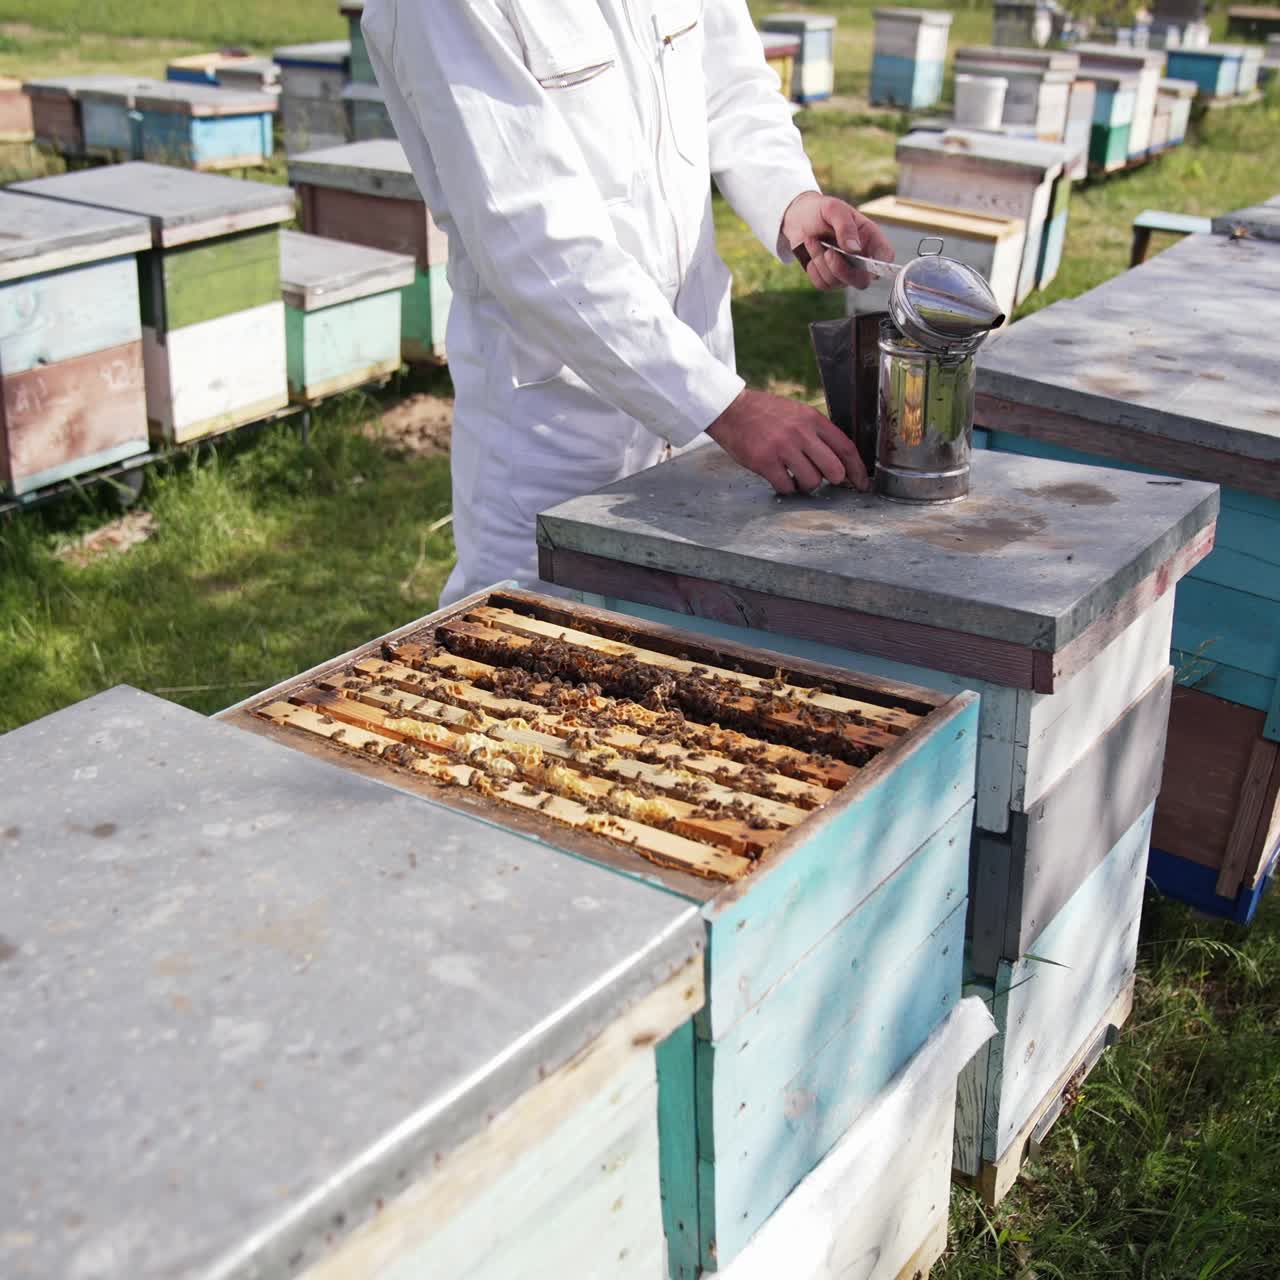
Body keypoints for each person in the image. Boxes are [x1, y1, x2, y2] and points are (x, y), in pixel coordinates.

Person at [362, 0, 895, 608]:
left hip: (702, 406)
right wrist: (727, 407)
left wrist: (790, 198)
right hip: (555, 437)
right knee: (528, 669)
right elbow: (527, 234)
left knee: (690, 660)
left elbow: (731, 87)